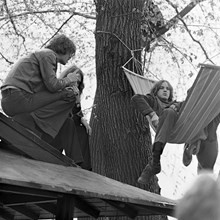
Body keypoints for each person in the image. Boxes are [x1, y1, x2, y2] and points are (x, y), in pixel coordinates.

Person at [1, 34, 81, 140]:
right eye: (71, 54)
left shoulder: (41, 55)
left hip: (13, 100)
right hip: (19, 98)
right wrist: (69, 79)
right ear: (64, 49)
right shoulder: (48, 55)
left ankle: (30, 122)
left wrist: (66, 85)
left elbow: (48, 91)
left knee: (66, 92)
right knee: (70, 95)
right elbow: (53, 86)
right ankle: (37, 126)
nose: (70, 58)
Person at [131, 80, 181, 184]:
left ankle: (154, 162)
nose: (165, 90)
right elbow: (136, 98)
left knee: (169, 112)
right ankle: (154, 162)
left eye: (168, 89)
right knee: (168, 112)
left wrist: (176, 106)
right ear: (156, 91)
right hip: (163, 130)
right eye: (162, 88)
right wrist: (152, 114)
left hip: (177, 128)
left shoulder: (175, 104)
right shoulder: (153, 100)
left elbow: (188, 104)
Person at [51, 68, 92, 170]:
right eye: (73, 81)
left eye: (78, 82)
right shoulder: (56, 90)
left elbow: (76, 112)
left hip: (70, 128)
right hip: (55, 128)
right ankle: (76, 161)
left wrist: (82, 118)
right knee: (69, 122)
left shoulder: (75, 96)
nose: (75, 84)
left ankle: (83, 166)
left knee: (82, 129)